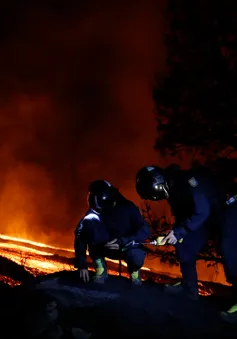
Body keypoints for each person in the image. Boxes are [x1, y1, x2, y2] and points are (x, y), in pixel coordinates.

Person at [135, 164, 225, 301]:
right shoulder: (173, 189)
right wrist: (174, 233)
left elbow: (203, 210)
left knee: (230, 253)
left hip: (220, 215)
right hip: (203, 218)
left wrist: (180, 232)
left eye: (154, 196)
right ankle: (189, 288)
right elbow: (182, 216)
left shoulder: (188, 181)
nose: (156, 199)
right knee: (183, 245)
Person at [74, 179, 151, 285]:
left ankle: (134, 270)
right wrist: (81, 264)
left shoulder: (128, 208)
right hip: (103, 247)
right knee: (90, 223)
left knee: (136, 256)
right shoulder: (94, 211)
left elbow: (145, 230)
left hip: (126, 247)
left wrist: (122, 241)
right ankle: (100, 266)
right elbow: (80, 236)